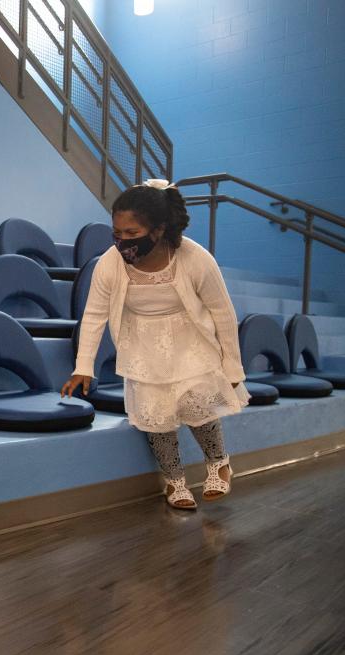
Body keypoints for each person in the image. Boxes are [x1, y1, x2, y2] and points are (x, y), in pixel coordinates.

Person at [62, 179, 248, 511]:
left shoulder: (194, 258)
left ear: (159, 230)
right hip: (141, 344)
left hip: (189, 338)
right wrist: (83, 366)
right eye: (116, 233)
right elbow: (94, 315)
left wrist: (232, 366)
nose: (122, 241)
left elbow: (223, 312)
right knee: (156, 417)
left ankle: (219, 462)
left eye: (131, 234)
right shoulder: (111, 262)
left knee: (195, 404)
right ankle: (174, 481)